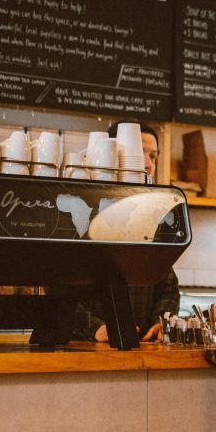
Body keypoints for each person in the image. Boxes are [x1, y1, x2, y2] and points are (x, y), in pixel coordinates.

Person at [73, 120, 180, 343]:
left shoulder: (151, 217)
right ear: (111, 153)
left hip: (140, 347)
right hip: (86, 348)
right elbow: (62, 291)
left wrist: (161, 322)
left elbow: (167, 288)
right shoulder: (82, 213)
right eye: (139, 153)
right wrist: (96, 329)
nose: (149, 164)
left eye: (153, 156)